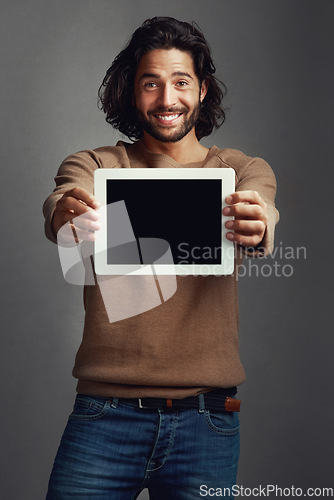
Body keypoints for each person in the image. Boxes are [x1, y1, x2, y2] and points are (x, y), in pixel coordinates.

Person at [43, 16, 279, 500]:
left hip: (206, 421)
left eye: (180, 82)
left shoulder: (240, 169)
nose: (167, 100)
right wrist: (67, 213)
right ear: (133, 91)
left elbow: (262, 207)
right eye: (151, 83)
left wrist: (259, 224)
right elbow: (68, 195)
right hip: (103, 415)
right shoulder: (98, 163)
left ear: (203, 90)